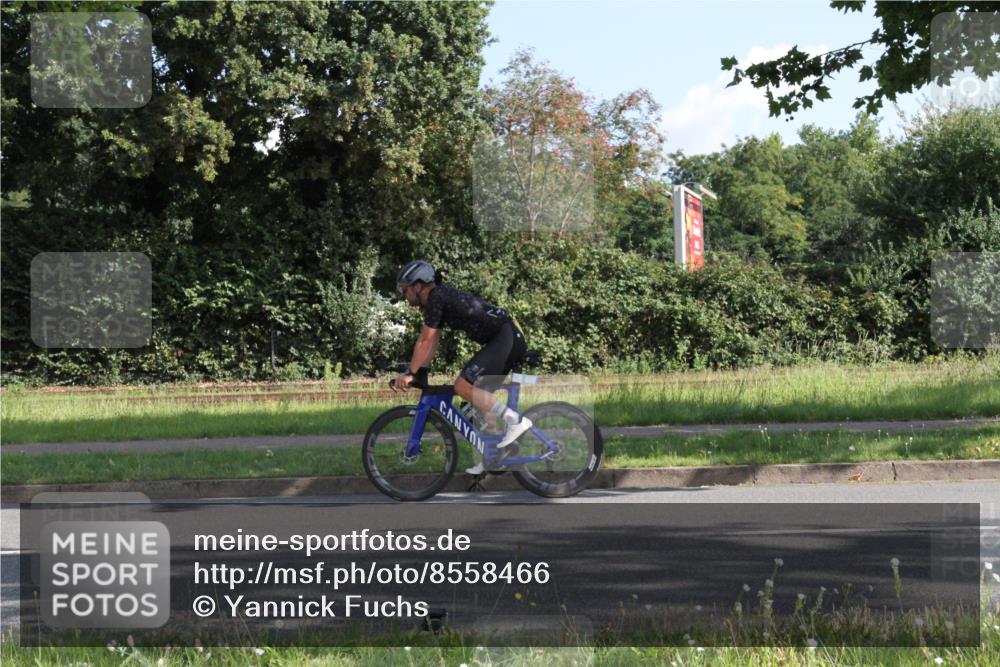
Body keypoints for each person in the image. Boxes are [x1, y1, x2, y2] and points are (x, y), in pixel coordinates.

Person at [392, 259, 531, 475]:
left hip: (505, 337)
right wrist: (421, 372)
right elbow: (432, 340)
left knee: (462, 386)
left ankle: (516, 421)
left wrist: (411, 373)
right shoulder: (437, 301)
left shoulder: (437, 297)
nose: (405, 295)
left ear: (418, 286)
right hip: (504, 337)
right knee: (474, 404)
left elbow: (425, 341)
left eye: (406, 290)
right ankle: (493, 457)